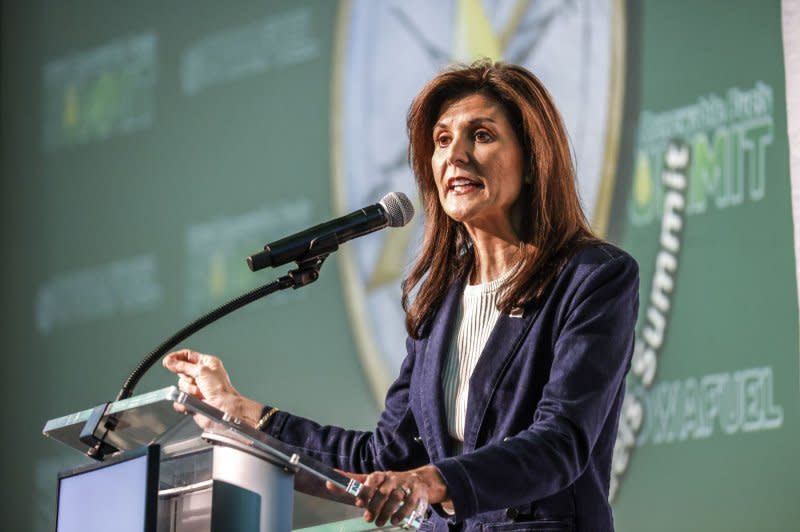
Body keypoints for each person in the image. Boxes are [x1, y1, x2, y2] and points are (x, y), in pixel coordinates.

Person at [164, 60, 639, 531]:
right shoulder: (438, 302)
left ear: (534, 161)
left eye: (482, 135)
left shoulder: (592, 278)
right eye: (442, 140)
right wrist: (244, 413)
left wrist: (430, 482)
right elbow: (383, 457)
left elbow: (560, 444)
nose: (455, 156)